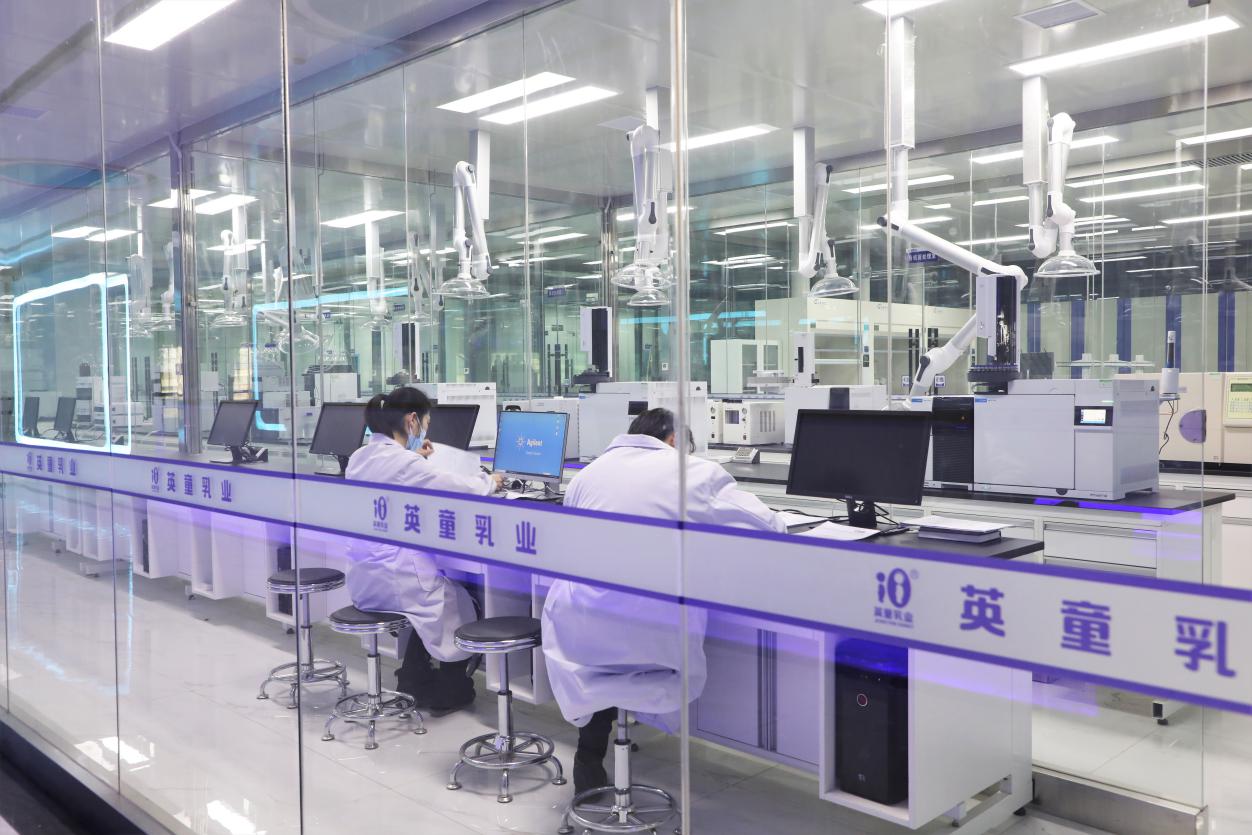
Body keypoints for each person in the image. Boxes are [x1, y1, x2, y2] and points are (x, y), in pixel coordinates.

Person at [541, 407, 784, 795]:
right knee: (631, 651)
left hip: (581, 632)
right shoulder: (694, 473)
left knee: (602, 667)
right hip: (652, 637)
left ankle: (590, 758)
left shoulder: (587, 476)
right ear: (673, 440)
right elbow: (769, 527)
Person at [345, 386, 503, 715]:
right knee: (460, 602)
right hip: (397, 576)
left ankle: (413, 677)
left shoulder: (360, 457)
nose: (425, 429)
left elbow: (395, 474)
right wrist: (492, 482)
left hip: (363, 577)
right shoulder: (404, 463)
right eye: (426, 422)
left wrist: (415, 458)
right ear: (412, 420)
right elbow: (459, 487)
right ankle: (451, 689)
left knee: (438, 599)